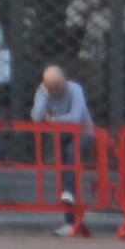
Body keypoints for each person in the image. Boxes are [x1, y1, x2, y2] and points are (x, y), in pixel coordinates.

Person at [31, 66, 94, 234]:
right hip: (60, 135)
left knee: (71, 153)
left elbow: (75, 117)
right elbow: (36, 117)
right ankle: (69, 219)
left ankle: (69, 194)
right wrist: (44, 96)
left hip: (83, 132)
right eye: (49, 86)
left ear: (63, 81)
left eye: (56, 86)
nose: (53, 90)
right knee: (61, 169)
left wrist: (53, 120)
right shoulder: (43, 92)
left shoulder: (74, 89)